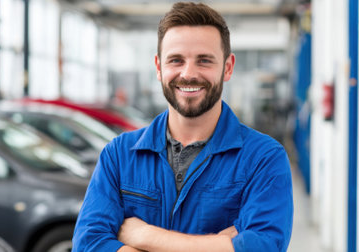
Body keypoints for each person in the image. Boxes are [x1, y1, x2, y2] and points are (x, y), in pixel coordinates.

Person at [72, 2, 293, 251]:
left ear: (228, 67)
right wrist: (221, 244)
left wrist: (144, 235)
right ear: (158, 67)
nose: (188, 73)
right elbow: (88, 243)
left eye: (204, 61)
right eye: (176, 60)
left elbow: (263, 246)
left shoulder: (263, 158)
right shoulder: (119, 155)